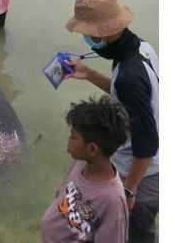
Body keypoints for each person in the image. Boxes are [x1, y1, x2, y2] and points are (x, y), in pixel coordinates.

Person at [64, 0, 159, 243]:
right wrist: (90, 74)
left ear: (103, 33)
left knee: (134, 235)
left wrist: (129, 189)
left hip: (142, 174)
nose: (85, 38)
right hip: (148, 164)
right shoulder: (140, 48)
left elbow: (147, 142)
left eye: (87, 33)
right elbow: (128, 99)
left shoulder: (129, 75)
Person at [41, 97, 129, 243]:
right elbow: (63, 193)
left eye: (73, 137)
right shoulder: (80, 163)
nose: (68, 140)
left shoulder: (113, 201)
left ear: (92, 149)